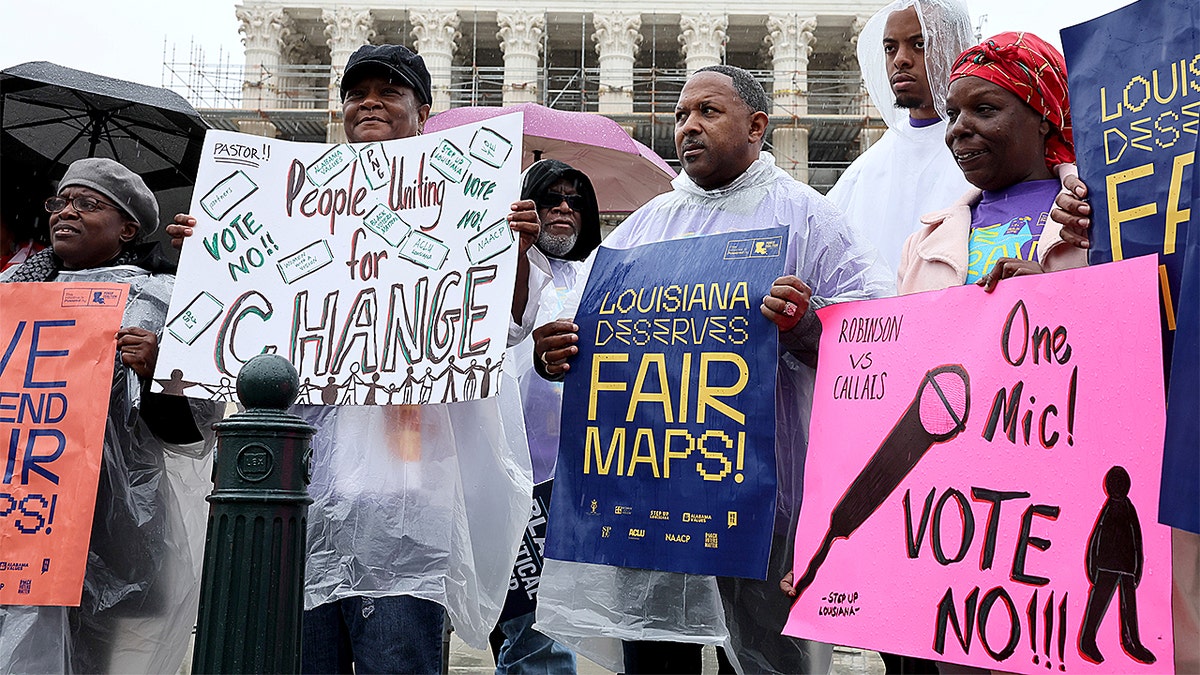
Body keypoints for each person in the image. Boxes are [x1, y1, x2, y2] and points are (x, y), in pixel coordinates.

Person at [170, 44, 541, 674]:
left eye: (388, 91)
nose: (368, 102)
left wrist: (513, 252)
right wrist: (206, 258)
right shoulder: (290, 207)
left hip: (402, 509)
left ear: (423, 111)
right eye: (355, 92)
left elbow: (500, 327)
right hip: (300, 503)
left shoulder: (461, 201)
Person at [528, 65, 892, 674]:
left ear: (756, 126)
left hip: (759, 500)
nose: (688, 126)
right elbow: (586, 334)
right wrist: (556, 354)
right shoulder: (648, 226)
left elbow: (875, 329)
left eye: (707, 112)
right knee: (654, 654)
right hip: (651, 499)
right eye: (679, 115)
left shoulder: (806, 217)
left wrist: (805, 322)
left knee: (763, 658)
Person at [0, 157, 219, 674]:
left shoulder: (156, 299)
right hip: (14, 515)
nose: (66, 213)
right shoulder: (11, 295)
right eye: (61, 202)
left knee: (84, 661)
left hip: (99, 528)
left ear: (128, 228)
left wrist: (157, 373)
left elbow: (187, 432)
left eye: (88, 204)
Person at [489, 159, 602, 674]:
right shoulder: (494, 270)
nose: (563, 208)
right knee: (503, 615)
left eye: (575, 201)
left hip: (565, 476)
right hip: (494, 466)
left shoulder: (602, 276)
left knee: (539, 626)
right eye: (550, 199)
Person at [896, 32, 1085, 294]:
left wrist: (1053, 293)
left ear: (1044, 119)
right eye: (952, 114)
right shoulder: (919, 248)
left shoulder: (1092, 217)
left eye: (984, 109)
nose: (957, 129)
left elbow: (1142, 314)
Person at [826, 0, 973, 276]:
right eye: (890, 48)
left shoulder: (984, 150)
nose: (900, 60)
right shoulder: (864, 170)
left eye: (919, 44)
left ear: (956, 48)